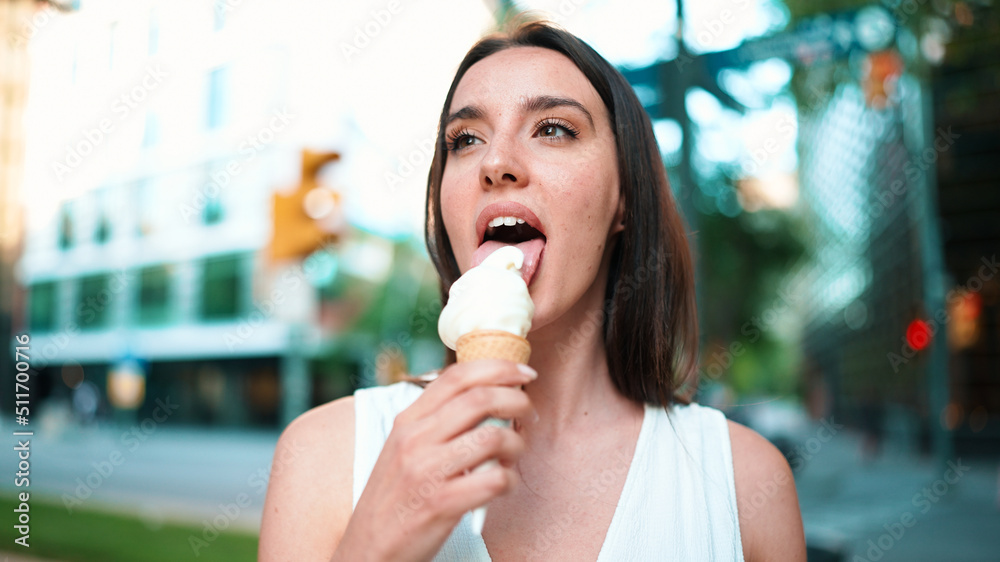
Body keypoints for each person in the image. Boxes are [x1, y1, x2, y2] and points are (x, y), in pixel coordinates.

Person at [259, 19, 806, 562]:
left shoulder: (745, 485)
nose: (495, 163)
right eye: (465, 139)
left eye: (553, 129)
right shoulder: (323, 456)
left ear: (623, 200)